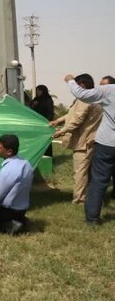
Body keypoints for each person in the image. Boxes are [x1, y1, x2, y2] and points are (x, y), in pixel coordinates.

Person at [65, 73, 115, 225]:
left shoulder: (109, 90)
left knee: (98, 181)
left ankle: (92, 218)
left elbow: (81, 94)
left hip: (107, 143)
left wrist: (70, 81)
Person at [49, 74, 102, 204]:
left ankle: (79, 199)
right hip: (88, 140)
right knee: (86, 171)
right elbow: (72, 114)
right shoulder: (92, 98)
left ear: (81, 86)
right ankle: (89, 196)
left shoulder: (85, 99)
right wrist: (58, 120)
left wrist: (61, 131)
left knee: (80, 172)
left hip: (84, 142)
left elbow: (77, 120)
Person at [0, 134, 34, 234]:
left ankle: (10, 225)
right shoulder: (26, 164)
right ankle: (19, 221)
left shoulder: (7, 170)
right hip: (22, 209)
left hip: (8, 211)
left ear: (9, 151)